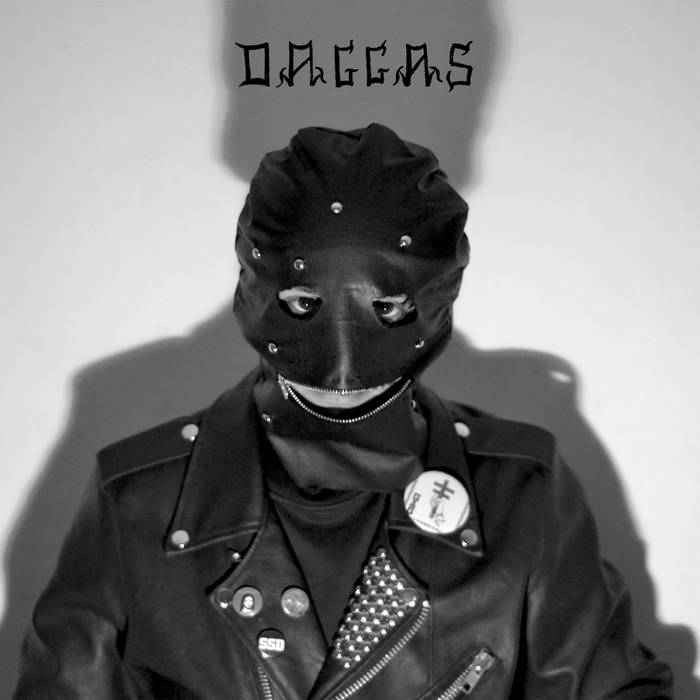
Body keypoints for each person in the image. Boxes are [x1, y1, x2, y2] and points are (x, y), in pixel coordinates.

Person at [14, 124, 673, 699]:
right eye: (304, 303)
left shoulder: (519, 495)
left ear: (436, 297)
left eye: (388, 309)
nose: (343, 367)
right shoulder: (139, 501)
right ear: (255, 283)